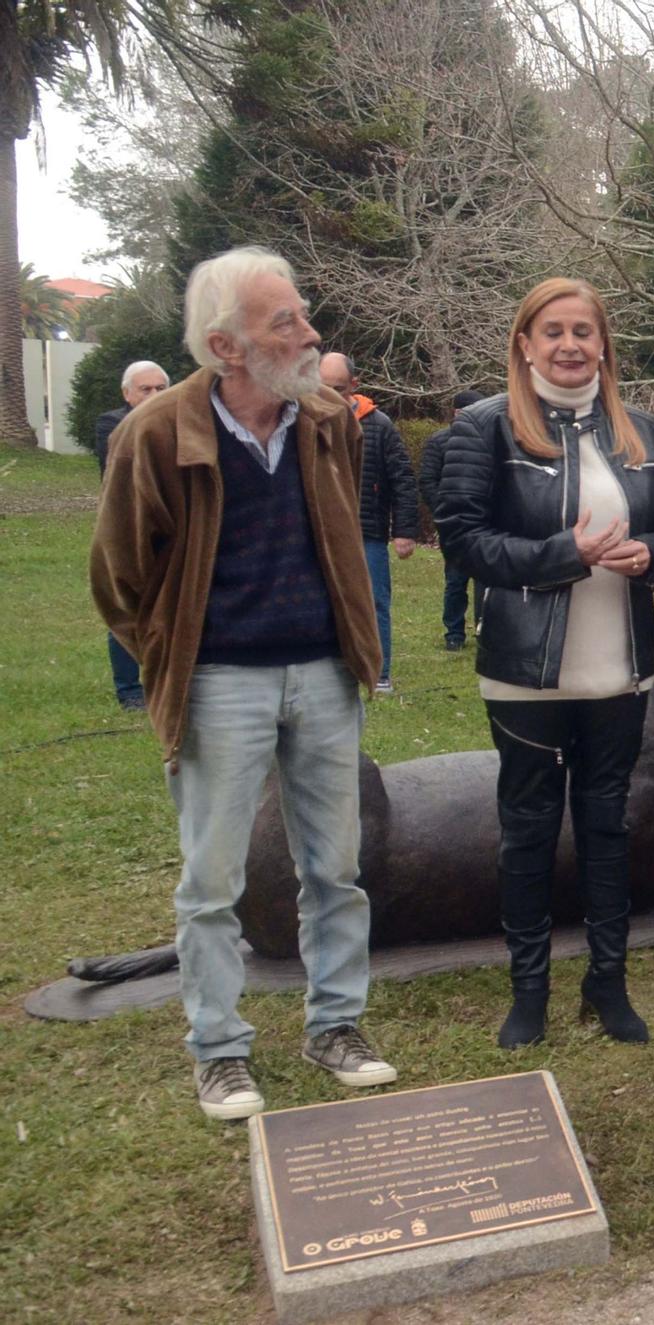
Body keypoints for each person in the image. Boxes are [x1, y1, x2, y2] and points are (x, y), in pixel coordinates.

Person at [89, 246, 395, 1120]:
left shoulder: (326, 418)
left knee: (336, 867)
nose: (309, 333)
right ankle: (219, 1051)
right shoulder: (155, 434)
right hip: (221, 680)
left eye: (300, 314)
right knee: (213, 881)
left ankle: (336, 1026)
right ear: (227, 346)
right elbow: (117, 577)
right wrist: (173, 652)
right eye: (284, 323)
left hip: (324, 675)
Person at [434, 278, 654, 1049]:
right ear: (525, 343)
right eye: (553, 331)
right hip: (526, 669)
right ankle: (530, 992)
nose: (571, 345)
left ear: (604, 344)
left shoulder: (640, 431)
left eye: (585, 331)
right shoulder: (484, 429)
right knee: (529, 829)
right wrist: (560, 554)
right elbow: (462, 538)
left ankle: (607, 984)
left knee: (608, 825)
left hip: (620, 667)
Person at [319, 353, 418, 692]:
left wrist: (404, 530)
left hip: (368, 532)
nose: (330, 395)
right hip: (321, 532)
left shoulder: (379, 425)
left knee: (375, 601)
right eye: (322, 387)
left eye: (337, 388)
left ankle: (380, 672)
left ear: (354, 386)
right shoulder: (302, 422)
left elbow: (403, 478)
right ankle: (332, 671)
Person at [95, 360, 171, 709]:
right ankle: (129, 690)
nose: (155, 395)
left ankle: (169, 682)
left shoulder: (183, 423)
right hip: (129, 532)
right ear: (127, 394)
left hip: (172, 531)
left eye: (161, 388)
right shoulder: (113, 425)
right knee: (129, 606)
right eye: (146, 389)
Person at [423, 388, 486, 651]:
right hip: (455, 523)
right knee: (456, 581)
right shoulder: (439, 442)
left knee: (487, 580)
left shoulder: (492, 440)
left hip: (486, 522)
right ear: (455, 413)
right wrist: (445, 512)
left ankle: (485, 628)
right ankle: (454, 632)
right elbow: (427, 480)